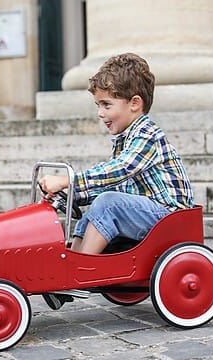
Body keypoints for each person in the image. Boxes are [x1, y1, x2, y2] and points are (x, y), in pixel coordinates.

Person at [39, 52, 194, 309]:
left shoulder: (147, 134)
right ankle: (69, 266)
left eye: (106, 104)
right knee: (98, 206)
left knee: (108, 203)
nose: (100, 113)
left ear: (134, 103)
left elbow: (121, 169)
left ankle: (79, 274)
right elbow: (110, 184)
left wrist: (68, 179)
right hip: (147, 214)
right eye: (98, 105)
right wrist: (72, 195)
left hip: (170, 218)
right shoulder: (124, 139)